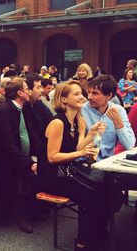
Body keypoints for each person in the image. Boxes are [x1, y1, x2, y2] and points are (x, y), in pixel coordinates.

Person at [41, 80, 115, 250]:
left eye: (81, 93)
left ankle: (97, 235)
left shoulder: (79, 121)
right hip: (52, 176)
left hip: (69, 172)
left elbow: (77, 148)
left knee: (105, 189)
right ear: (64, 99)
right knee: (92, 199)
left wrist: (92, 134)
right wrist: (81, 154)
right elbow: (52, 157)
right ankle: (82, 244)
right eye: (76, 94)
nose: (82, 96)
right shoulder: (57, 123)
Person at [0, 77, 41, 233]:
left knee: (34, 182)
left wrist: (39, 154)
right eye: (27, 89)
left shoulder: (25, 107)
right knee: (11, 186)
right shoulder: (3, 111)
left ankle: (24, 213)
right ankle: (16, 216)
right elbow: (7, 145)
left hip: (24, 156)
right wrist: (29, 163)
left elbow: (31, 132)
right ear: (20, 93)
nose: (30, 91)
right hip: (7, 160)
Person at [81, 74, 135, 161]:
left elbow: (129, 144)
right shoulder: (81, 110)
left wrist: (118, 123)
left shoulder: (118, 111)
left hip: (105, 162)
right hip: (82, 161)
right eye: (89, 92)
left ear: (109, 96)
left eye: (95, 93)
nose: (89, 97)